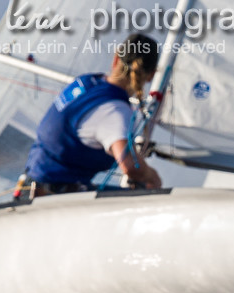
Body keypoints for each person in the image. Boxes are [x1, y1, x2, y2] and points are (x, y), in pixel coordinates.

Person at [21, 33, 163, 196]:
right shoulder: (114, 110)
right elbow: (130, 166)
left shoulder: (85, 82)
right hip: (50, 198)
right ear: (151, 75)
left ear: (116, 58)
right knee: (148, 195)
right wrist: (152, 176)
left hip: (28, 187)